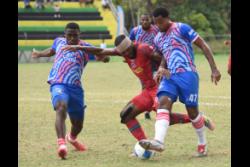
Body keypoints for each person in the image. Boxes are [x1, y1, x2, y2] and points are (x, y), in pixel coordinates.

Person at [62, 35, 215, 155]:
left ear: (131, 44)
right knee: (125, 115)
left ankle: (197, 118)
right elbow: (101, 51)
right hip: (147, 91)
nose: (127, 53)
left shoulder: (143, 49)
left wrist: (163, 70)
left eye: (128, 50)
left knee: (162, 118)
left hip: (158, 87)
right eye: (124, 53)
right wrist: (78, 47)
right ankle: (145, 144)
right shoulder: (123, 53)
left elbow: (164, 56)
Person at [138, 7, 221, 157]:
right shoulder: (158, 37)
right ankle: (158, 142)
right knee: (163, 102)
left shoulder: (182, 28)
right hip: (170, 76)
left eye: (161, 22)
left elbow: (203, 45)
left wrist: (214, 69)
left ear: (168, 18)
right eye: (156, 23)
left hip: (188, 74)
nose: (159, 26)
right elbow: (165, 52)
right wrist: (162, 67)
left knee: (192, 112)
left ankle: (202, 144)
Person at [32, 22, 109, 159]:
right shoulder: (59, 41)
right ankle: (61, 144)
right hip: (58, 83)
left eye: (75, 36)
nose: (72, 39)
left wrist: (97, 55)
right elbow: (51, 51)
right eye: (69, 35)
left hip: (75, 88)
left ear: (80, 35)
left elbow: (105, 58)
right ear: (64, 35)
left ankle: (72, 138)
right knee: (60, 107)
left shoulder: (85, 47)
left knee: (78, 124)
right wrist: (39, 54)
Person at [130, 13, 159, 120]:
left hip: (155, 62)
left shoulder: (156, 30)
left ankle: (158, 108)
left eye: (147, 20)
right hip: (142, 64)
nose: (145, 22)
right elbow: (130, 44)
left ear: (150, 20)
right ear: (140, 21)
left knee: (157, 84)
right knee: (145, 87)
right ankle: (146, 109)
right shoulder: (135, 31)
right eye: (143, 20)